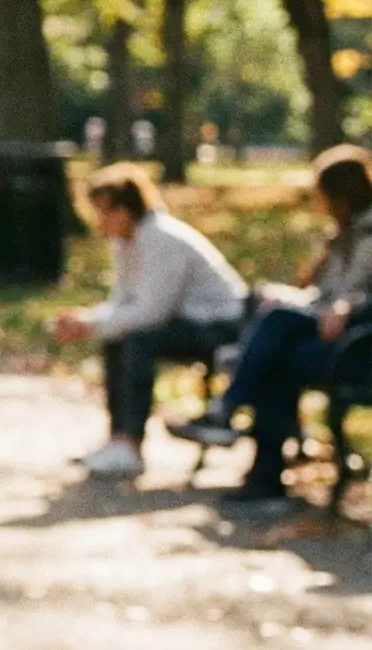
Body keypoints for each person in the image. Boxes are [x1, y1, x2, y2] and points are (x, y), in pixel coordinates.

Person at [167, 146, 372, 503]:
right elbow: (321, 296)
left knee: (276, 338)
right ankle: (264, 482)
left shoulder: (367, 235)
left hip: (359, 344)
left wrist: (347, 307)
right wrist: (289, 296)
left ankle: (228, 412)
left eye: (319, 191)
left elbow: (351, 297)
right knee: (274, 334)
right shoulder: (342, 235)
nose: (315, 199)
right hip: (328, 333)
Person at [46, 163, 247, 481]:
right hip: (181, 321)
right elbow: (123, 304)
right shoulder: (125, 243)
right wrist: (86, 321)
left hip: (220, 325)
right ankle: (118, 439)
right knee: (116, 336)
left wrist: (90, 325)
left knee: (138, 338)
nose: (99, 222)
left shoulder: (161, 239)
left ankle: (131, 441)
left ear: (125, 210)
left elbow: (152, 312)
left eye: (104, 212)